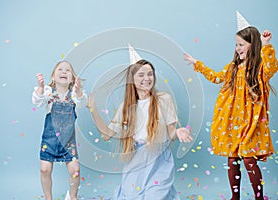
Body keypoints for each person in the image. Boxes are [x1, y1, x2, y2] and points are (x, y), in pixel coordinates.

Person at [184, 17, 277, 199]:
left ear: (253, 45)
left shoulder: (260, 68)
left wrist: (266, 45)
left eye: (242, 44)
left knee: (250, 160)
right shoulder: (233, 67)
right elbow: (216, 77)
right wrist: (197, 64)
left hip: (252, 122)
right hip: (234, 121)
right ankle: (235, 197)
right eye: (236, 45)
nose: (238, 49)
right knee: (233, 159)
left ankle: (259, 197)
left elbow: (272, 67)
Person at [88, 55, 193, 199]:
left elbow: (171, 134)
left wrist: (179, 131)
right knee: (131, 195)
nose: (147, 78)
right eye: (141, 75)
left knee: (154, 195)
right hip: (136, 160)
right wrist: (93, 110)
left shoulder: (164, 99)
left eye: (150, 74)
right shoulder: (125, 108)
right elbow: (107, 134)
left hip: (159, 159)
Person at [32, 60, 87, 200]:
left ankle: (73, 196)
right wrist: (40, 87)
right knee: (44, 169)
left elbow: (82, 102)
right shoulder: (49, 93)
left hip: (68, 142)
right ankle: (48, 197)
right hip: (49, 140)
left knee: (75, 170)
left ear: (72, 79)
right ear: (53, 76)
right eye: (60, 70)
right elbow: (37, 101)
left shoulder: (74, 95)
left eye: (68, 70)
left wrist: (79, 89)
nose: (64, 72)